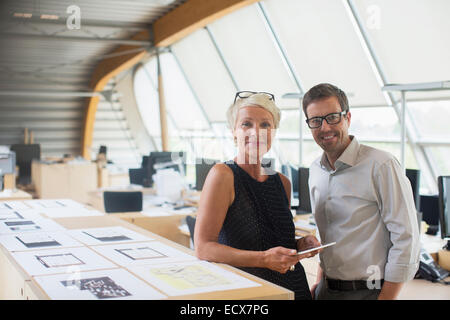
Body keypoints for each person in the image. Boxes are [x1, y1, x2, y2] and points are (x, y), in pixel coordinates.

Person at [194, 91, 321, 300]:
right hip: (253, 295)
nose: (257, 132)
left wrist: (299, 245)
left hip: (294, 291)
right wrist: (264, 259)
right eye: (246, 124)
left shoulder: (282, 182)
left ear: (274, 132)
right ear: (233, 132)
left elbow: (274, 242)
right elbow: (204, 248)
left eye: (265, 125)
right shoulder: (222, 174)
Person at [303, 83, 420, 300]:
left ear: (347, 118)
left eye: (332, 117)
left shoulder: (381, 165)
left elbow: (406, 238)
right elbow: (327, 234)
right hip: (326, 291)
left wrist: (386, 297)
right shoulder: (315, 171)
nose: (325, 128)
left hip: (369, 291)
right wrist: (320, 282)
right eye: (315, 121)